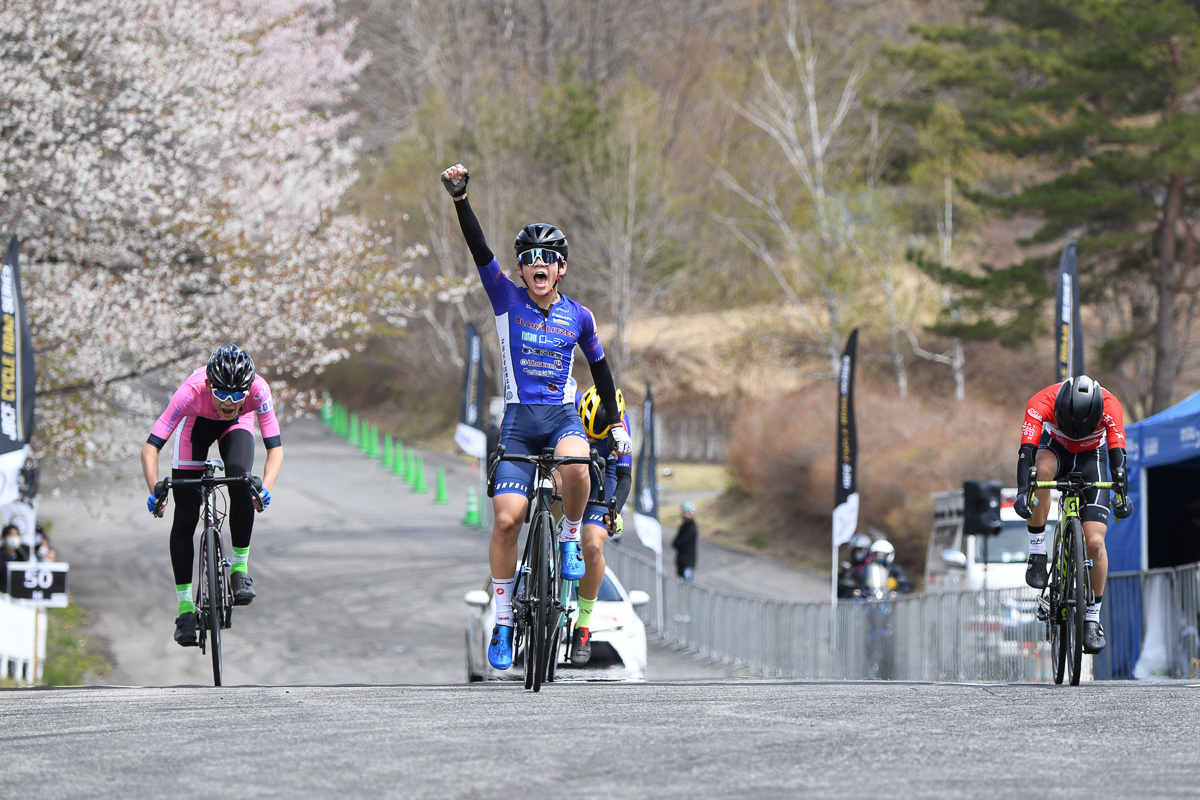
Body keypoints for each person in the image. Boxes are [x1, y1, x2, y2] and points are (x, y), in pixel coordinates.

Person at [441, 163, 632, 671]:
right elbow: (481, 250)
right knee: (507, 521)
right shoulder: (506, 299)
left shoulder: (580, 316)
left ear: (561, 268)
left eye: (549, 258)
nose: (539, 265)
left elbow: (602, 371)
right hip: (519, 421)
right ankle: (504, 620)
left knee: (576, 464)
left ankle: (569, 538)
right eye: (530, 260)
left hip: (562, 415)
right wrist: (461, 199)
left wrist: (612, 420)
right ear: (522, 271)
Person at [141, 344, 283, 647]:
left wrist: (264, 487)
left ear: (248, 389)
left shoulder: (258, 391)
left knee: (241, 480)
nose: (229, 402)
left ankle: (240, 570)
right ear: (209, 385)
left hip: (237, 429)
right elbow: (151, 447)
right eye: (222, 394)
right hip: (196, 428)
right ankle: (184, 609)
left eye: (237, 395)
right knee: (187, 513)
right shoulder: (191, 392)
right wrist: (155, 489)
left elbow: (276, 449)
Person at [1014, 374, 1130, 654]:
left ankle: (1092, 618)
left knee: (1095, 543)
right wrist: (1022, 492)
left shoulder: (1111, 405)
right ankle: (1038, 552)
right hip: (1055, 450)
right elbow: (1026, 451)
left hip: (1094, 458)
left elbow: (1118, 457)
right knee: (1040, 472)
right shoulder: (1041, 401)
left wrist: (1122, 495)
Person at [570, 385, 633, 665]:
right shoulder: (568, 405)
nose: (592, 438)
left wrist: (615, 510)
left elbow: (624, 477)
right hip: (570, 466)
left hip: (602, 474)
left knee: (594, 546)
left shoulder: (622, 425)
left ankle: (582, 626)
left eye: (599, 437)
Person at [837, 532, 873, 598]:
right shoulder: (848, 566)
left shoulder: (873, 566)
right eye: (857, 550)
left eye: (863, 550)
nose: (860, 553)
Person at [672, 502, 698, 581]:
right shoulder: (684, 526)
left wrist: (678, 543)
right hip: (681, 561)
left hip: (687, 562)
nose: (683, 514)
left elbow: (681, 543)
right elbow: (675, 543)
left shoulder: (691, 528)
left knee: (686, 584)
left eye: (686, 512)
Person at [0, 524, 30, 593]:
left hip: (19, 593)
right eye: (11, 534)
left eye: (16, 534)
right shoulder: (1, 555)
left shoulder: (22, 555)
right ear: (4, 537)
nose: (14, 537)